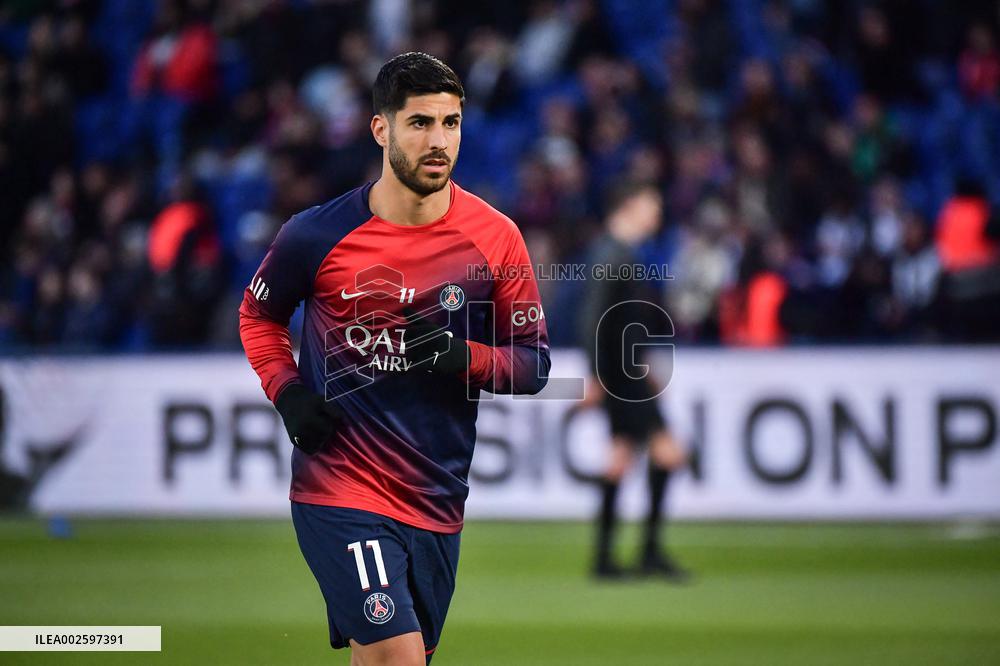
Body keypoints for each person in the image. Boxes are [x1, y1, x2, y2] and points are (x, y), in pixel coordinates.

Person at [238, 52, 549, 665]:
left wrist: (458, 356)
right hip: (340, 486)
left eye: (451, 124)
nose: (439, 142)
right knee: (397, 657)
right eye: (421, 124)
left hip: (437, 499)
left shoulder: (496, 238)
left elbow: (533, 365)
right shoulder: (314, 234)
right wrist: (288, 391)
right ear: (381, 129)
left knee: (392, 659)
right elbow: (259, 315)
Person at [578, 179, 690, 581]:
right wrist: (595, 375)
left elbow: (620, 321)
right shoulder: (613, 253)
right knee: (667, 453)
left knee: (621, 458)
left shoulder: (619, 252)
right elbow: (593, 319)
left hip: (625, 373)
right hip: (620, 378)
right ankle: (647, 553)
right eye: (650, 204)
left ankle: (606, 559)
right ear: (629, 205)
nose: (656, 214)